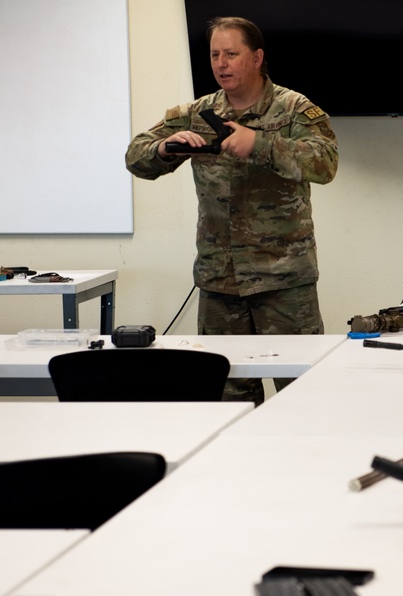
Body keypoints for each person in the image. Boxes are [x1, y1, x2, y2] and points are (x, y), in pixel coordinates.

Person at [125, 16, 338, 404]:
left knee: (302, 393)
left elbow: (325, 163)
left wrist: (259, 144)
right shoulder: (196, 113)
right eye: (214, 55)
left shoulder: (293, 109)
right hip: (219, 282)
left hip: (283, 282)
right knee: (224, 398)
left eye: (231, 54)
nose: (221, 63)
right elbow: (135, 156)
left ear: (257, 57)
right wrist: (164, 146)